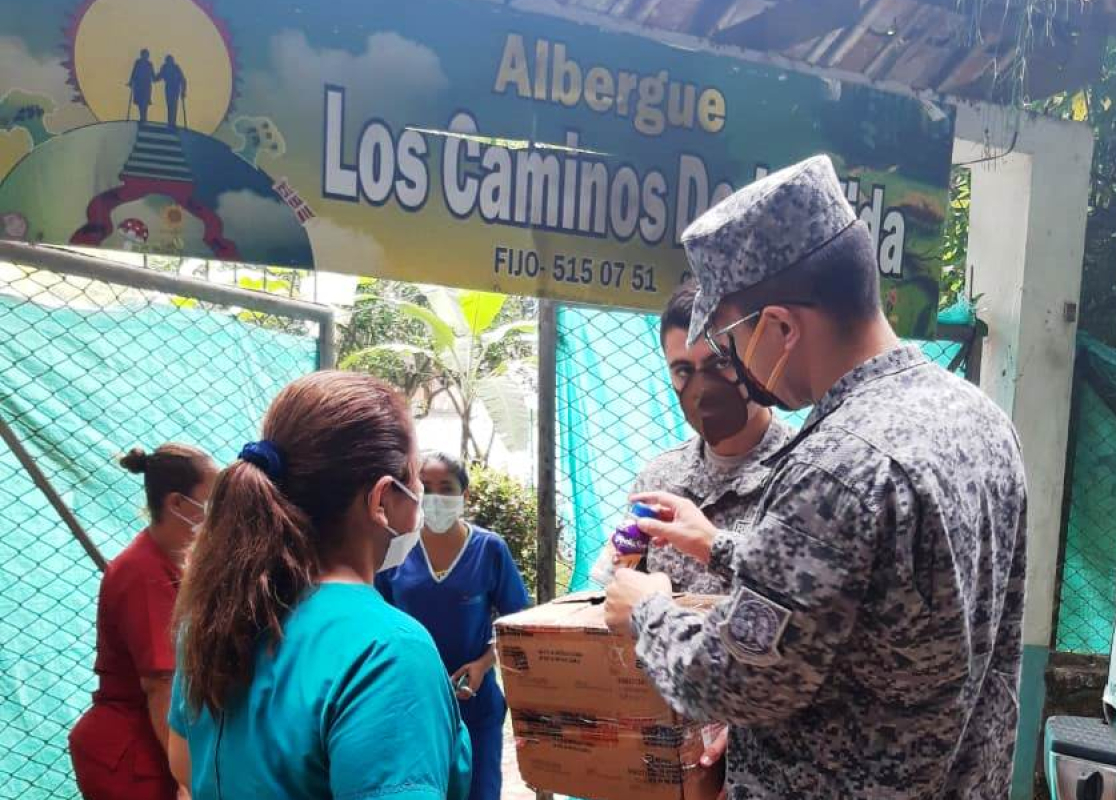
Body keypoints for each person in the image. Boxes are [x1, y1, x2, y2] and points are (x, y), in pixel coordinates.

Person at [605, 155, 1028, 799]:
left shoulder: (836, 465)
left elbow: (740, 679)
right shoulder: (981, 420)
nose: (731, 366)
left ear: (779, 328)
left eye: (728, 344)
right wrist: (717, 544)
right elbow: (866, 593)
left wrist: (647, 612)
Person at [167, 372, 471, 800]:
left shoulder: (216, 614)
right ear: (382, 499)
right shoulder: (388, 652)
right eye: (415, 476)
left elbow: (183, 761)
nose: (421, 493)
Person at [376, 452, 531, 800]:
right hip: (412, 703)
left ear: (465, 495)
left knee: (481, 790)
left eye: (445, 488)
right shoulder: (396, 551)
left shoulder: (489, 550)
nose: (434, 498)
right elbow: (377, 620)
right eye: (425, 488)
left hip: (475, 704)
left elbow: (516, 625)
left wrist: (481, 665)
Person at [69, 443, 216, 800]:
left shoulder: (177, 562)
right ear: (177, 504)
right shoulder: (143, 573)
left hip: (157, 740)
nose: (218, 514)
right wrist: (187, 780)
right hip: (135, 753)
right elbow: (161, 686)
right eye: (211, 502)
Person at [632, 282, 793, 596]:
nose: (702, 387)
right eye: (682, 371)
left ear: (752, 354)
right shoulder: (658, 482)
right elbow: (618, 588)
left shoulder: (801, 474)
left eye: (720, 362)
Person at [157, 56, 186, 129]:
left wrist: (183, 91)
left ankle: (172, 123)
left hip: (175, 88)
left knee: (174, 105)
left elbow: (183, 80)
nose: (169, 62)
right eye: (168, 60)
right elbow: (159, 76)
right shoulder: (165, 67)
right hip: (169, 88)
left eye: (170, 60)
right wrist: (152, 77)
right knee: (170, 105)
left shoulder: (176, 68)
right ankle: (170, 122)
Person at [127, 50, 155, 124]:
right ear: (141, 55)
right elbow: (133, 72)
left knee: (145, 102)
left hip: (146, 85)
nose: (145, 56)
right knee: (140, 102)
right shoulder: (138, 62)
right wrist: (131, 81)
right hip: (139, 85)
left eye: (146, 55)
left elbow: (153, 75)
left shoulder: (150, 64)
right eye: (144, 54)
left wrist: (159, 77)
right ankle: (142, 117)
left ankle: (144, 118)